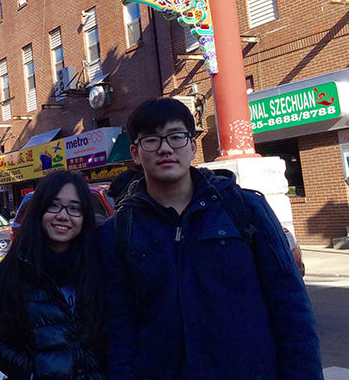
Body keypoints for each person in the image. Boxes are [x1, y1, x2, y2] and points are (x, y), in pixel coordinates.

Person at [97, 97, 322, 380]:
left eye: (176, 137)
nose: (165, 148)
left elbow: (290, 309)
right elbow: (119, 330)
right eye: (151, 140)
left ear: (192, 146)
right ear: (135, 152)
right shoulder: (118, 232)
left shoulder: (245, 209)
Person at [0, 170, 105, 380]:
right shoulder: (15, 269)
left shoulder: (101, 264)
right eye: (54, 205)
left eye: (74, 209)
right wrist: (32, 371)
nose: (63, 215)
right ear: (39, 210)